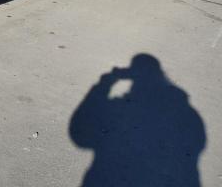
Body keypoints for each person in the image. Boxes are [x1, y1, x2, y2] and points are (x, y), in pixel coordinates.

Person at [69, 54, 206, 187]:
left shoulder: (121, 109)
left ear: (133, 76)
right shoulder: (190, 115)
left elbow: (80, 132)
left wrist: (106, 82)